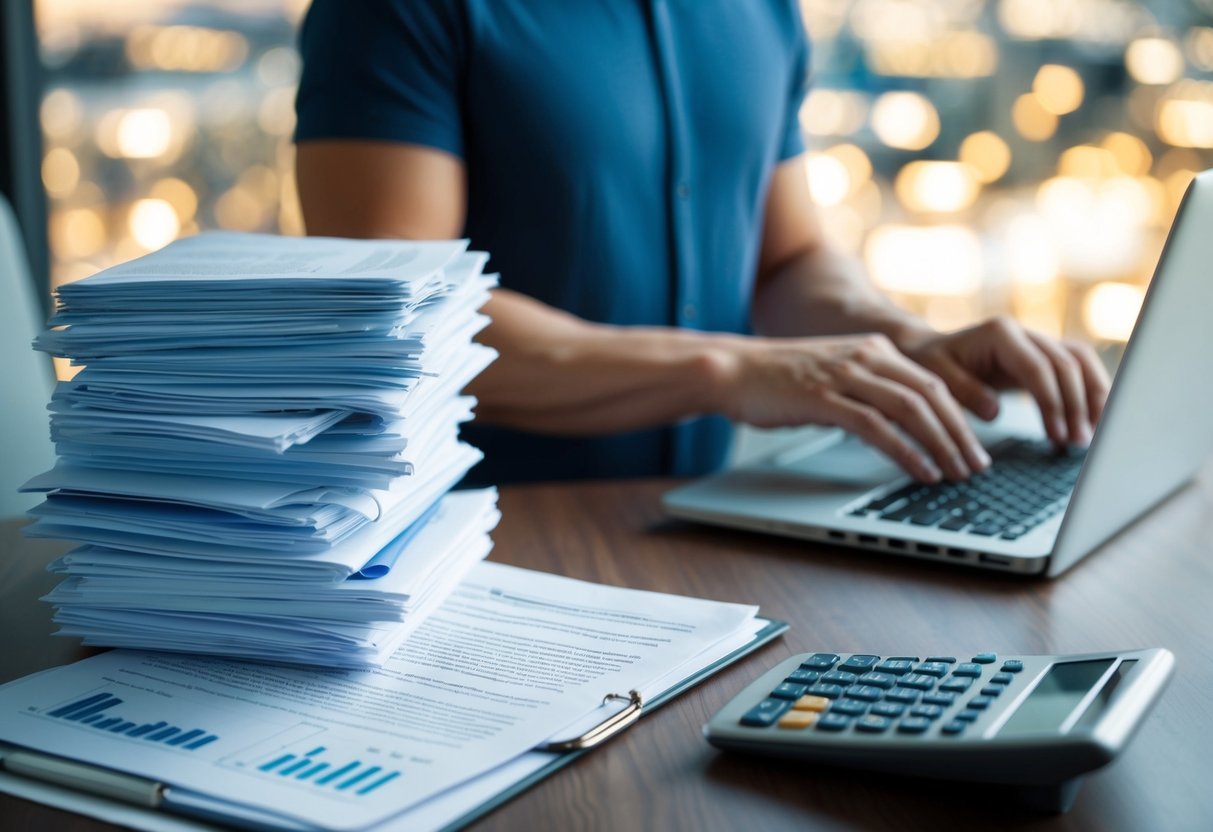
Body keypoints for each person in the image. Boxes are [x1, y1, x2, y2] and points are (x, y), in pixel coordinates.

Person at [293, 0, 1109, 487]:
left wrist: (911, 345)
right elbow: (392, 323)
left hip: (699, 535)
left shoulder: (763, 10)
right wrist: (727, 369)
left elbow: (785, 262)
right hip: (473, 547)